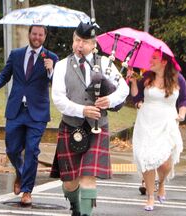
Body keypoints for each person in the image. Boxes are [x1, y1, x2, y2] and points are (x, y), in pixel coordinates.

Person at [50, 22, 129, 216]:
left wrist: (109, 100)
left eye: (84, 42)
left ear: (94, 44)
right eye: (77, 40)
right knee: (69, 183)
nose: (79, 45)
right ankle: (76, 208)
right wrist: (82, 110)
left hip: (97, 128)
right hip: (71, 126)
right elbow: (58, 99)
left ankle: (85, 214)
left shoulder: (104, 64)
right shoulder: (61, 66)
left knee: (88, 177)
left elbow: (124, 89)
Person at [0, 25, 58, 205]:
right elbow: (4, 75)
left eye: (40, 35)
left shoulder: (52, 58)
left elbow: (58, 85)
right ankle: (21, 173)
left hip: (37, 113)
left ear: (44, 37)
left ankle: (27, 190)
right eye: (34, 34)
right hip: (16, 110)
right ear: (29, 34)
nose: (37, 37)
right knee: (12, 149)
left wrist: (51, 70)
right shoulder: (16, 54)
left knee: (32, 151)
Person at [129, 49, 186, 211]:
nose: (151, 60)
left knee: (164, 163)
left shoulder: (178, 78)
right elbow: (136, 97)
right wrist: (133, 83)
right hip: (146, 121)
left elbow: (183, 100)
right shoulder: (147, 76)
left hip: (167, 122)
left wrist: (181, 115)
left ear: (164, 62)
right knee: (146, 159)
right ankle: (150, 197)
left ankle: (161, 182)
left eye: (154, 58)